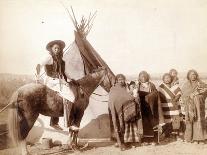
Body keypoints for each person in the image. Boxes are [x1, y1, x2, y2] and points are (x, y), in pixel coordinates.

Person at [36, 40, 76, 130]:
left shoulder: (61, 60)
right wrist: (37, 77)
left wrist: (72, 79)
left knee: (62, 96)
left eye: (58, 48)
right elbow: (39, 65)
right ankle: (69, 122)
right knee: (71, 97)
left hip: (59, 81)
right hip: (51, 81)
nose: (57, 50)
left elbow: (64, 72)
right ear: (51, 49)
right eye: (55, 48)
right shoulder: (49, 57)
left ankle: (54, 122)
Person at [108, 74, 143, 150]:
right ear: (116, 80)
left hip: (127, 111)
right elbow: (113, 100)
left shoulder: (126, 87)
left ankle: (129, 142)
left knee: (128, 125)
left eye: (122, 79)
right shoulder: (113, 89)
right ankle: (120, 142)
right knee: (119, 125)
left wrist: (133, 96)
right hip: (117, 112)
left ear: (124, 80)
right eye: (119, 79)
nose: (121, 81)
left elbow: (129, 96)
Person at [137, 71, 164, 144]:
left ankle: (154, 140)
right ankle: (145, 140)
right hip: (142, 108)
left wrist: (149, 97)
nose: (143, 77)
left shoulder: (151, 85)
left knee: (153, 123)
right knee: (144, 124)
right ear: (139, 77)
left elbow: (155, 94)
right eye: (141, 76)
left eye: (145, 76)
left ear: (147, 77)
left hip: (152, 107)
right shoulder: (137, 86)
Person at [181, 69, 207, 144]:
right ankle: (191, 138)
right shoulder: (186, 85)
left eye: (194, 74)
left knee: (199, 121)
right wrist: (190, 97)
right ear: (188, 76)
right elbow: (184, 96)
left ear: (196, 75)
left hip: (199, 107)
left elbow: (205, 92)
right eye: (191, 74)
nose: (193, 76)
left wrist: (197, 95)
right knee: (190, 121)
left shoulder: (201, 83)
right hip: (189, 107)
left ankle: (200, 138)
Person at [158, 73, 183, 140]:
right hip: (166, 106)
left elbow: (179, 93)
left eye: (168, 78)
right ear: (163, 79)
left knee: (175, 120)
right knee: (167, 121)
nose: (167, 79)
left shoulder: (175, 86)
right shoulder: (161, 87)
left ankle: (176, 135)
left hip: (175, 106)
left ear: (171, 78)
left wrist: (175, 99)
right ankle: (167, 135)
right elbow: (160, 96)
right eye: (165, 78)